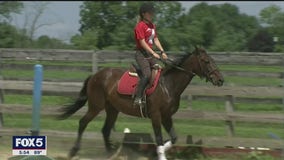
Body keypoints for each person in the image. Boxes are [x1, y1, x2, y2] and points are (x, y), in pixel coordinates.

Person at [133, 3, 168, 106]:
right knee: (147, 74)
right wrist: (153, 53)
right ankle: (138, 97)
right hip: (141, 54)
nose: (152, 14)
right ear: (144, 14)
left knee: (159, 71)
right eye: (150, 13)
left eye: (152, 12)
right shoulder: (140, 26)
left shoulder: (152, 25)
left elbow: (155, 39)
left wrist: (162, 51)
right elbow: (142, 42)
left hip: (150, 54)